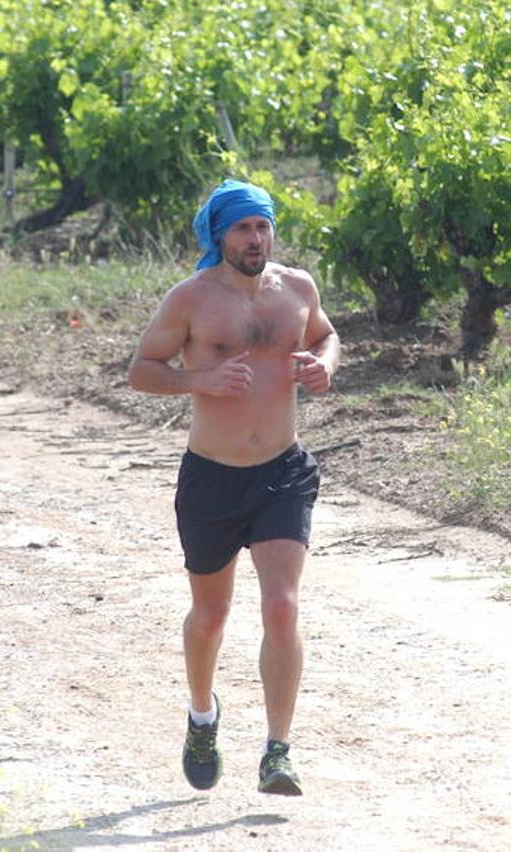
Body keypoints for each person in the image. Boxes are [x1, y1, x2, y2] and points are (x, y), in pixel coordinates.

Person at [127, 178, 340, 796]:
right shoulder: (191, 299)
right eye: (243, 227)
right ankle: (202, 715)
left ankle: (278, 751)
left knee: (281, 604)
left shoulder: (297, 288)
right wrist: (202, 379)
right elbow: (141, 370)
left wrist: (322, 365)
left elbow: (326, 334)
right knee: (212, 613)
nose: (256, 238)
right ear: (219, 234)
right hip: (212, 479)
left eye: (263, 226)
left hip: (282, 471)